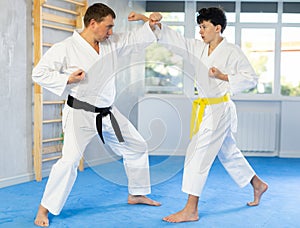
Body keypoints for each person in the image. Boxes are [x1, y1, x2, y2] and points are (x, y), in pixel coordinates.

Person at [32, 3, 162, 227]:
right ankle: (44, 209)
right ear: (93, 23)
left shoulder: (110, 42)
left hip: (108, 114)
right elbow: (39, 73)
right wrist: (68, 79)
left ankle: (137, 193)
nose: (111, 31)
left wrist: (149, 21)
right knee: (69, 161)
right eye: (108, 26)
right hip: (79, 115)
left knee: (137, 146)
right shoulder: (66, 48)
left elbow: (136, 39)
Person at [147, 7, 268, 223]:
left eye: (204, 27)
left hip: (219, 108)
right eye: (199, 27)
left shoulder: (232, 51)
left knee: (197, 154)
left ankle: (191, 209)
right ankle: (257, 184)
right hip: (208, 109)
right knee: (228, 152)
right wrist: (156, 25)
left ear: (218, 28)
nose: (200, 31)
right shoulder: (198, 47)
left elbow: (251, 78)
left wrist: (223, 76)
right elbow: (177, 41)